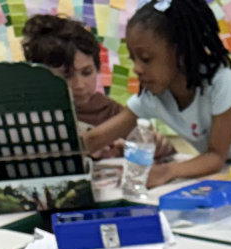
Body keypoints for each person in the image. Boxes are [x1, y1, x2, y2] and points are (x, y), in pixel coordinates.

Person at [82, 0, 231, 186]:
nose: (136, 69)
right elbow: (96, 138)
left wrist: (166, 171)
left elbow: (215, 156)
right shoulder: (154, 97)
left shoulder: (221, 84)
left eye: (145, 59)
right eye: (133, 59)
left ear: (180, 52)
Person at [19, 15, 173, 163]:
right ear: (40, 78)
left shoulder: (112, 112)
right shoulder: (26, 118)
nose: (79, 85)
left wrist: (156, 146)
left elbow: (156, 148)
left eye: (87, 72)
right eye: (66, 76)